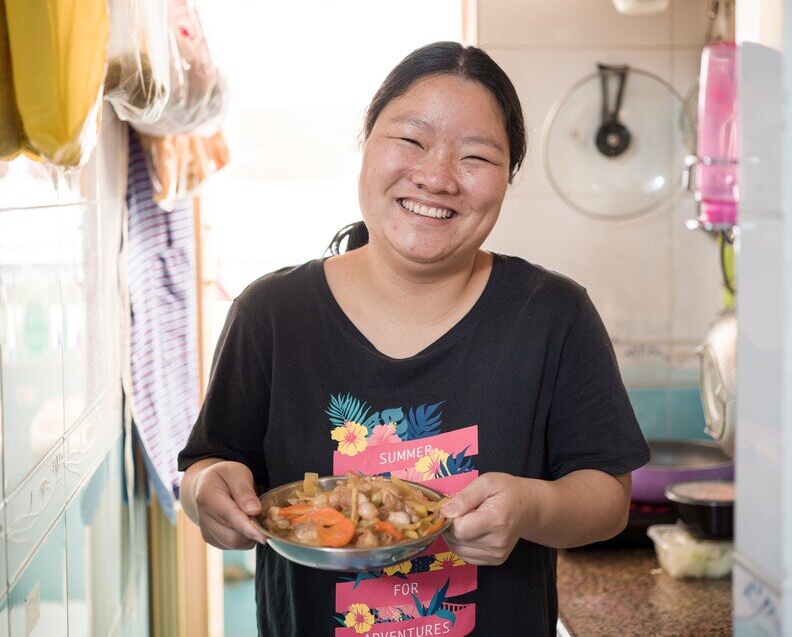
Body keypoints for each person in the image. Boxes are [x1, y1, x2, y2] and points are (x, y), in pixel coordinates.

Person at [178, 41, 650, 636]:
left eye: (475, 156)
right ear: (366, 145)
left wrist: (532, 507)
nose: (436, 178)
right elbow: (210, 465)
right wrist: (204, 492)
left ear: (508, 179)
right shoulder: (272, 315)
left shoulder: (553, 315)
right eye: (410, 140)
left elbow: (607, 499)